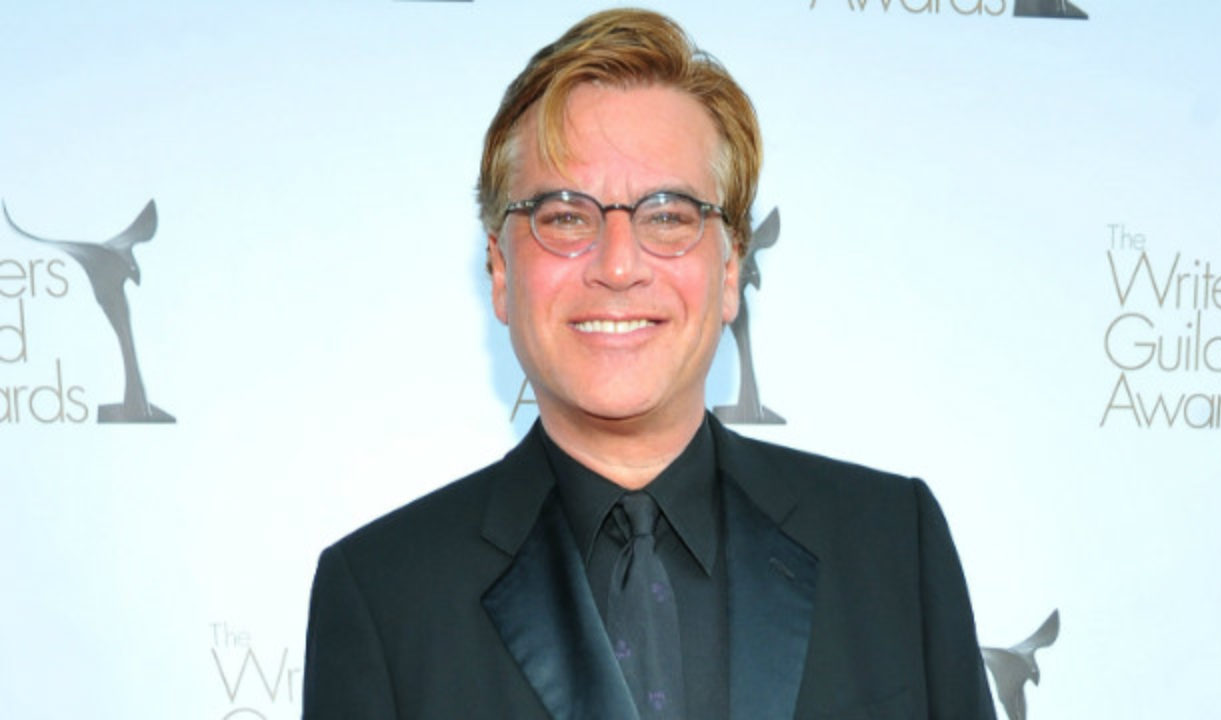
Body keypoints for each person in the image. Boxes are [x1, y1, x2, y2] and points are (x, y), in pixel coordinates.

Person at [302, 9, 995, 720]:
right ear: (500, 272)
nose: (618, 265)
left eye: (667, 216)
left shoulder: (893, 546)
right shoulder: (384, 594)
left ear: (731, 270)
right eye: (565, 216)